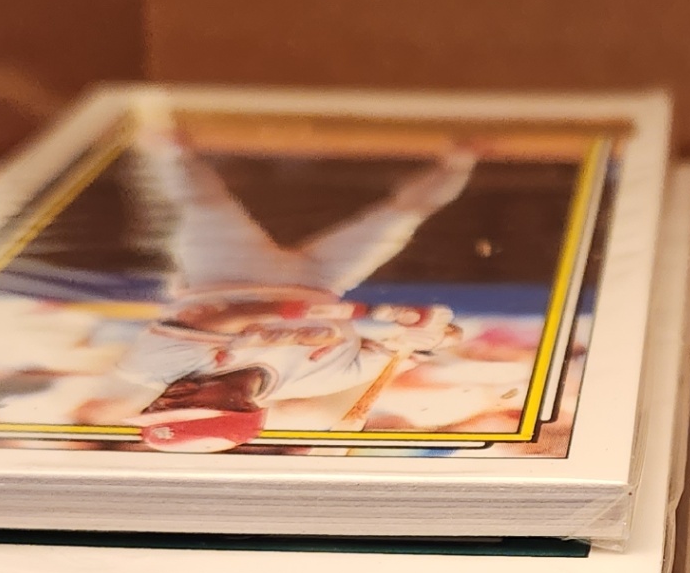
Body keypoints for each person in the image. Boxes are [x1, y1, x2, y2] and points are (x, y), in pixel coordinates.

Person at [77, 130, 476, 452]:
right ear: (241, 407)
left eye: (157, 409)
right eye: (183, 408)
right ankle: (464, 156)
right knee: (401, 218)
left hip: (223, 274)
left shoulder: (146, 369)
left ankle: (166, 139)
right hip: (320, 281)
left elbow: (223, 317)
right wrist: (429, 332)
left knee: (202, 204)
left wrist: (308, 312)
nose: (166, 401)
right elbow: (425, 345)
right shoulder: (322, 381)